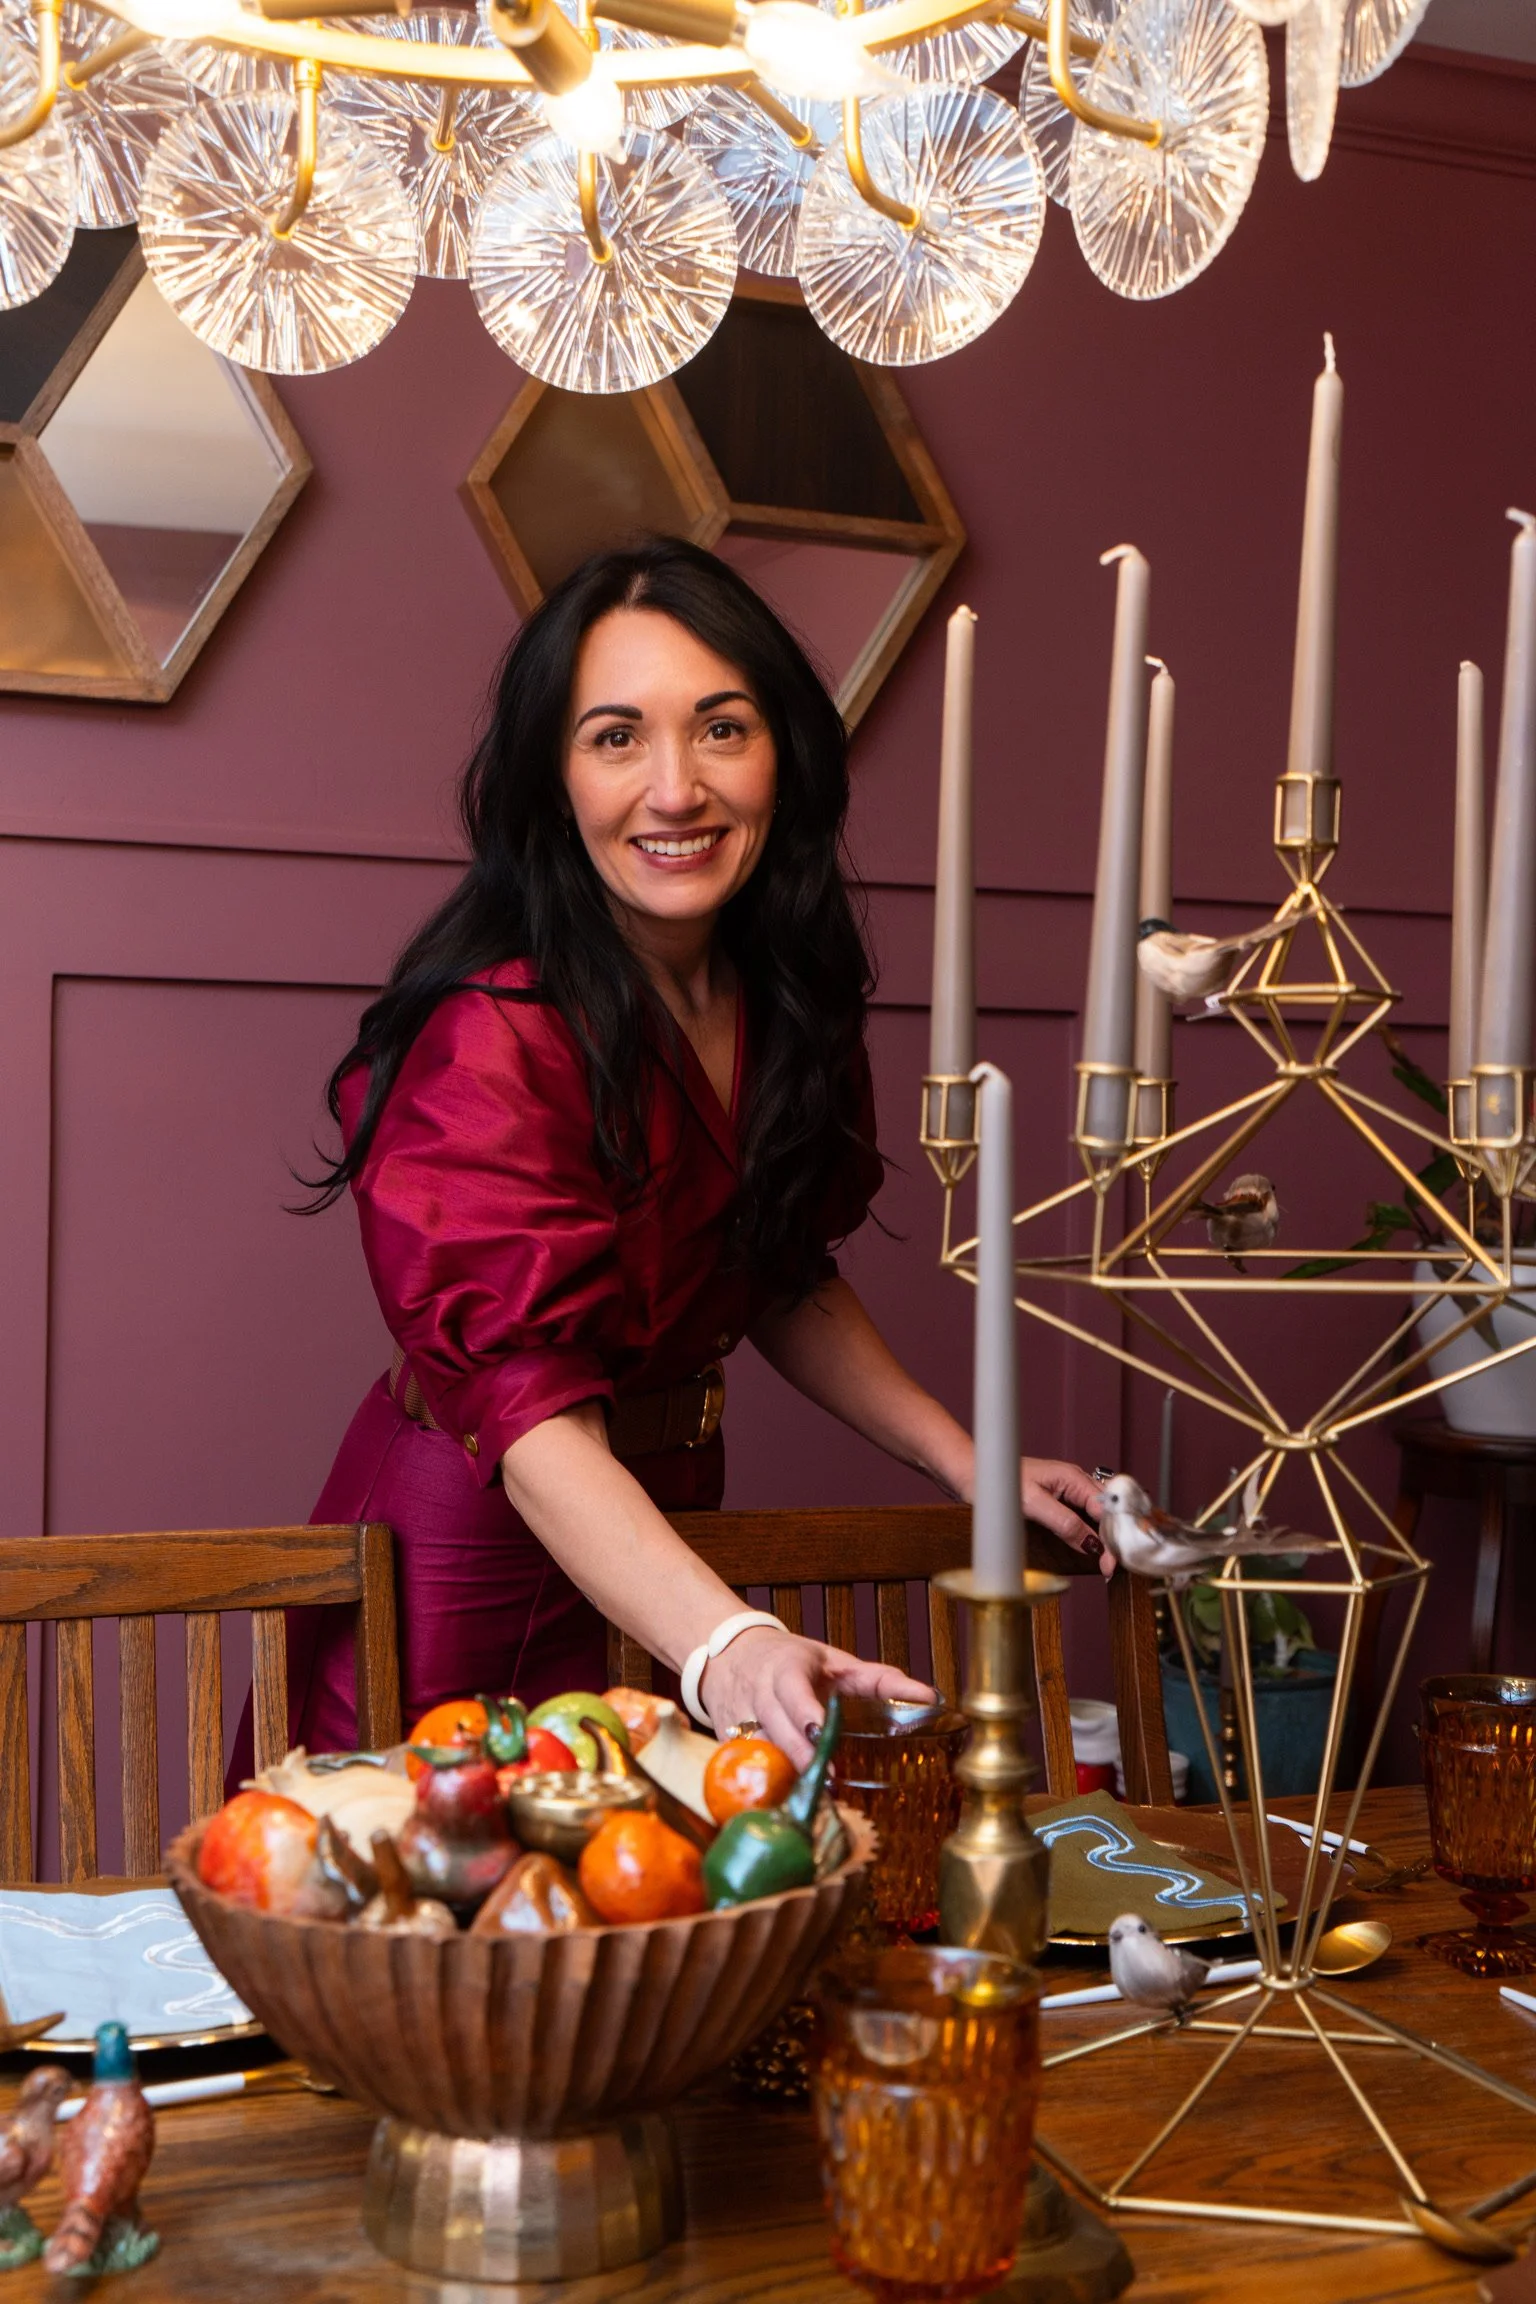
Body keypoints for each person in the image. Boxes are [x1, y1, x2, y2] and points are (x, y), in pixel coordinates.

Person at [288, 541, 1105, 1768]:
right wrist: (726, 1642)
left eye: (722, 729)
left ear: (785, 756)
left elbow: (779, 1268)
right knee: (442, 1876)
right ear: (553, 778)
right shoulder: (490, 1032)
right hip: (479, 1548)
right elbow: (523, 1406)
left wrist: (968, 1462)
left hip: (668, 1532)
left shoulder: (780, 999)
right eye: (616, 738)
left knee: (656, 1883)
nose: (676, 790)